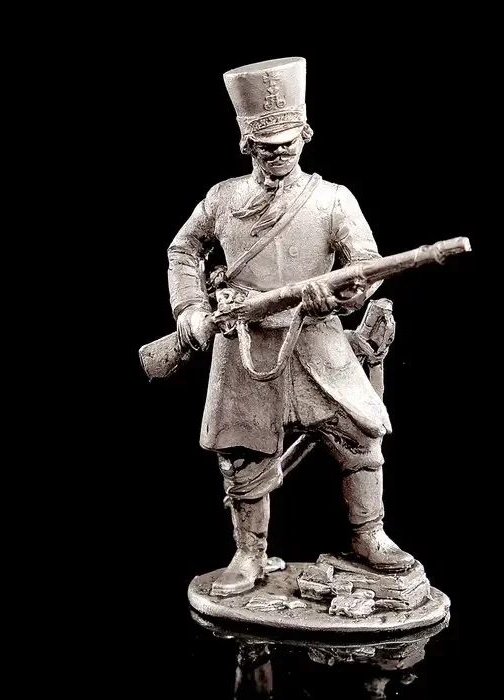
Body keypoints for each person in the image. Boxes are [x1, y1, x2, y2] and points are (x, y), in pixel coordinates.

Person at [167, 57, 414, 596]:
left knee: (361, 434)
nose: (279, 152)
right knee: (243, 454)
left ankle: (369, 535)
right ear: (247, 143)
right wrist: (190, 310)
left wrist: (343, 294)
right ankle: (249, 555)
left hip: (316, 338)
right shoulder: (222, 199)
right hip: (245, 344)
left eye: (287, 142)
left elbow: (365, 266)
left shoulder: (333, 199)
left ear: (305, 135)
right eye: (267, 145)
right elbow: (184, 250)